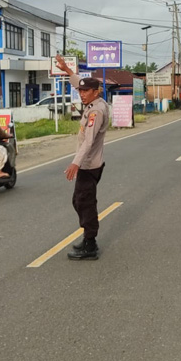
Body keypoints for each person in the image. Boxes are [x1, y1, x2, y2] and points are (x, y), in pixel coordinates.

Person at [55, 54, 110, 261]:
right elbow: (79, 81)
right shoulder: (94, 100)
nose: (82, 94)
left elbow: (88, 141)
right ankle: (89, 237)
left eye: (86, 91)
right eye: (81, 90)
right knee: (79, 201)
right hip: (87, 163)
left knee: (85, 202)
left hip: (89, 164)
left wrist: (75, 163)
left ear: (96, 92)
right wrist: (67, 70)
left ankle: (90, 244)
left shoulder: (97, 111)